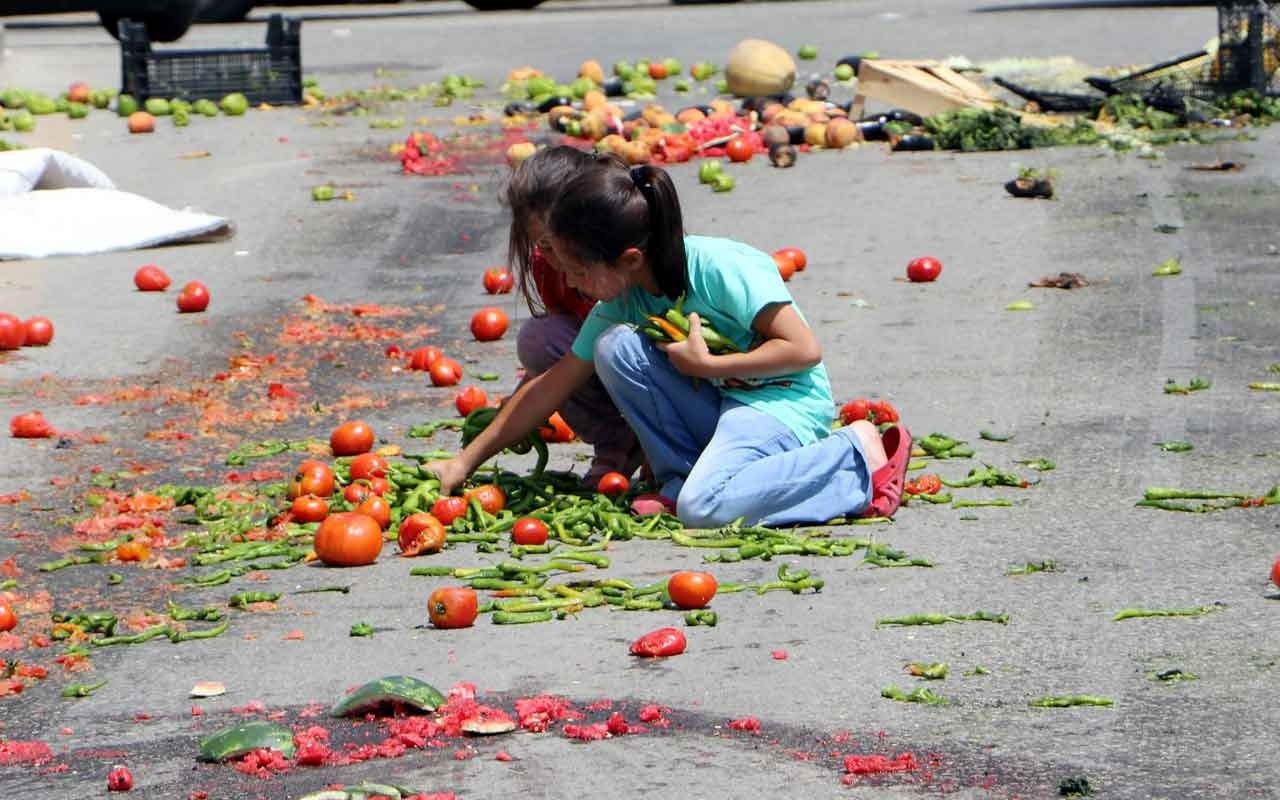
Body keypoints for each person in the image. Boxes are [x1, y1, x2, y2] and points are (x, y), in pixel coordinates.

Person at [430, 157, 911, 527]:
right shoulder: (623, 300)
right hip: (721, 406)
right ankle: (679, 478)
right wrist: (463, 463)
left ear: (630, 258)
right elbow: (551, 385)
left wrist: (709, 368)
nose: (572, 285)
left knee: (705, 510)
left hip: (777, 404)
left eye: (579, 271)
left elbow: (804, 350)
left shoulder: (721, 267)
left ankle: (853, 455)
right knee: (613, 348)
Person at [501, 145, 643, 487]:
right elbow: (563, 355)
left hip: (651, 369)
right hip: (593, 364)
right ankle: (616, 442)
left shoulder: (623, 259)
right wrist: (517, 412)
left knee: (617, 344)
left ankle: (660, 446)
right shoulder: (546, 267)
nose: (556, 260)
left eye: (555, 244)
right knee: (540, 339)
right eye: (543, 246)